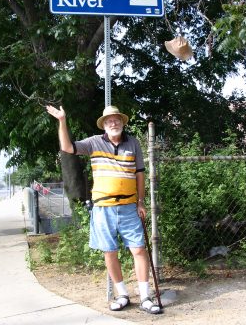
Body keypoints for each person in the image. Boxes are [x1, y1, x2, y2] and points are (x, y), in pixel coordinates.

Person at [46, 104, 161, 314]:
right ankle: (123, 294)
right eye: (109, 121)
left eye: (116, 120)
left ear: (122, 123)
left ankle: (145, 296)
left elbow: (140, 174)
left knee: (139, 249)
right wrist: (62, 121)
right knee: (110, 252)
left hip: (129, 206)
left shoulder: (133, 143)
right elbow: (67, 147)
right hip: (103, 208)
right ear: (104, 125)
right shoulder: (93, 142)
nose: (113, 123)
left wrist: (141, 201)